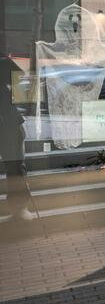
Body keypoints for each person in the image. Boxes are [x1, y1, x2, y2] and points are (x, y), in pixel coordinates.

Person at [0, 55, 35, 221]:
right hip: (9, 126)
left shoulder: (3, 66)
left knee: (15, 168)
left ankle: (19, 208)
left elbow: (20, 77)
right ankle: (19, 208)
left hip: (10, 127)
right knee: (14, 168)